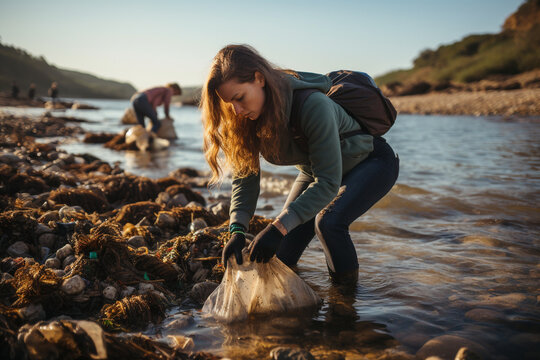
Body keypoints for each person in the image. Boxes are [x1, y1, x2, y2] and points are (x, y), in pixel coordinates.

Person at [201, 45, 400, 285]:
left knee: (328, 223)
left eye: (240, 98)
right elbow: (246, 178)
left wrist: (277, 228)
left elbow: (328, 183)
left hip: (371, 161)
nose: (237, 110)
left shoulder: (313, 105)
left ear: (259, 78)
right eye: (230, 103)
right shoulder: (246, 119)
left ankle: (344, 305)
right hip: (315, 172)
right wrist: (237, 230)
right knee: (282, 257)